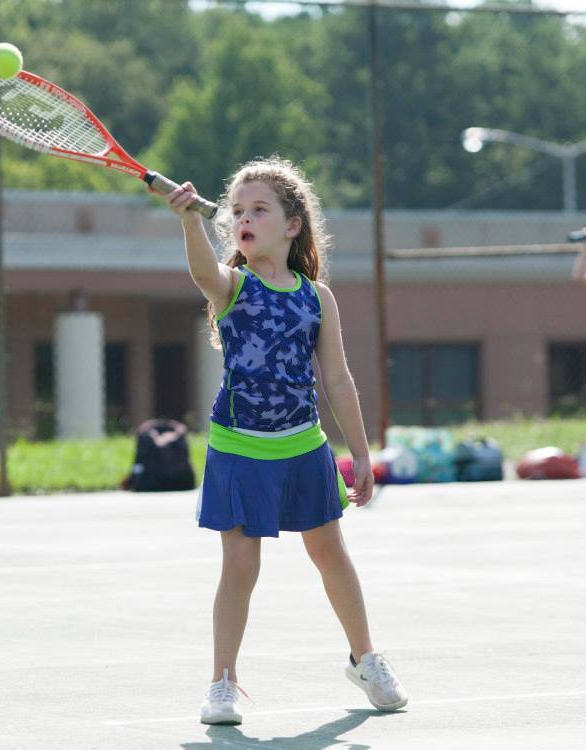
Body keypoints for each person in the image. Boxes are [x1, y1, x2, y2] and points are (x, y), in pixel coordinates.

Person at [160, 157, 408, 724]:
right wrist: (189, 221)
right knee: (240, 566)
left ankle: (366, 658)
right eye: (237, 212)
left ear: (292, 225)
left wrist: (362, 454)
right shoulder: (233, 286)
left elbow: (338, 380)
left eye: (259, 209)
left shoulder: (316, 297)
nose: (244, 218)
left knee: (331, 556)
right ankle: (223, 682)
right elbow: (203, 274)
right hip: (239, 448)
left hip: (304, 447)